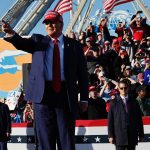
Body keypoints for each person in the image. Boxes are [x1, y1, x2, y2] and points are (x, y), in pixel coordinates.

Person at [2, 10, 89, 150]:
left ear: (60, 23)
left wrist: (84, 98)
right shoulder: (38, 41)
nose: (49, 25)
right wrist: (11, 33)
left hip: (65, 96)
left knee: (66, 139)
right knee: (45, 141)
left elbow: (83, 74)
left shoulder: (74, 45)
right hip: (42, 97)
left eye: (52, 22)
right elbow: (21, 43)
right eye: (46, 23)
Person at [108, 79, 144, 150]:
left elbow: (138, 119)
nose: (123, 90)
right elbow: (110, 120)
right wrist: (110, 135)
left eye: (125, 88)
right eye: (121, 88)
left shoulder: (134, 102)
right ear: (118, 89)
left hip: (132, 134)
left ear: (128, 88)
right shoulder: (113, 103)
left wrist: (141, 134)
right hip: (119, 135)